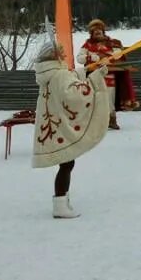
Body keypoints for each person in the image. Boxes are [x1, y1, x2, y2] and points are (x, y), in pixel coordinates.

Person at [32, 42, 111, 218]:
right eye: (61, 52)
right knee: (66, 164)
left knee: (67, 164)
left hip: (54, 123)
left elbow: (69, 78)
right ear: (54, 56)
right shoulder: (59, 74)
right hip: (59, 126)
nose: (64, 54)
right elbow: (73, 94)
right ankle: (60, 204)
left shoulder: (49, 73)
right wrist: (96, 78)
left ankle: (62, 201)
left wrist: (86, 71)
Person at [77, 19, 138, 130]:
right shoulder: (87, 45)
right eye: (95, 31)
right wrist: (93, 57)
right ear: (91, 33)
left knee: (109, 97)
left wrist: (111, 55)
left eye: (99, 30)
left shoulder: (112, 43)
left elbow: (119, 55)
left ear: (103, 31)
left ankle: (112, 119)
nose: (97, 32)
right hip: (94, 76)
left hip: (109, 75)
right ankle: (97, 121)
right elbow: (80, 59)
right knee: (96, 98)